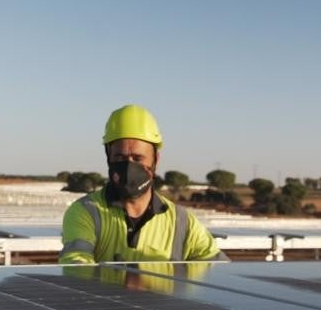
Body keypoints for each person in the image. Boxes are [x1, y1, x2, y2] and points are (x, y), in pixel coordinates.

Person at [59, 105, 228, 264]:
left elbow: (218, 270)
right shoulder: (85, 212)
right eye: (120, 158)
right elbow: (77, 268)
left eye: (138, 158)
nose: (129, 166)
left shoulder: (182, 222)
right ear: (108, 158)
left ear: (156, 160)